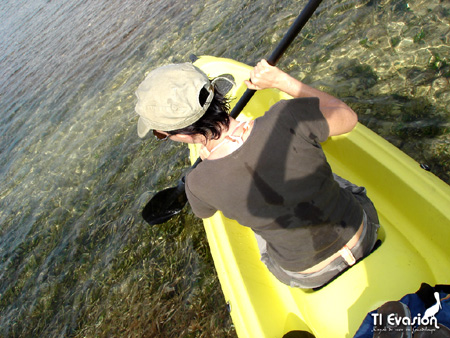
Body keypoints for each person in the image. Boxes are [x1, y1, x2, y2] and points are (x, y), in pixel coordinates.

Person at [135, 59, 380, 289]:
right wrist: (281, 81)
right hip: (363, 234)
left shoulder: (197, 184)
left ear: (178, 134)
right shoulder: (288, 115)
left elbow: (205, 212)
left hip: (308, 275)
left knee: (257, 228)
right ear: (215, 91)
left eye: (161, 135)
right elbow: (347, 116)